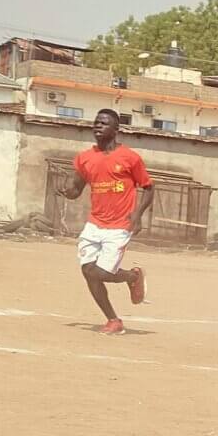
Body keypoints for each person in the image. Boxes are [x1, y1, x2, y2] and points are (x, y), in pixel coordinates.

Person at [60, 109, 151, 333]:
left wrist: (137, 215)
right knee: (87, 270)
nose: (98, 126)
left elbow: (148, 188)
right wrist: (68, 191)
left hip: (120, 225)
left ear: (116, 129)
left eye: (104, 123)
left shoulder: (130, 157)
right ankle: (113, 320)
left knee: (104, 273)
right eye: (96, 122)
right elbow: (76, 190)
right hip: (94, 223)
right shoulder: (84, 159)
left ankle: (132, 276)